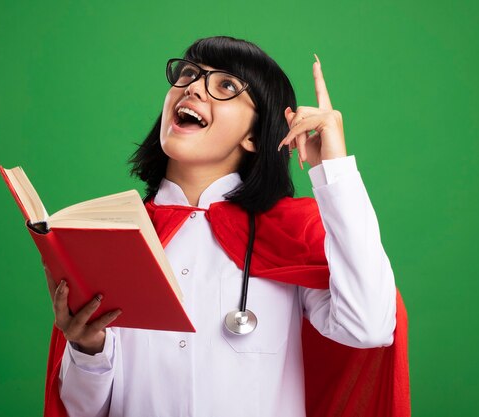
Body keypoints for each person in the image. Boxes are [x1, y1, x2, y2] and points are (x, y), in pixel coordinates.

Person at [42, 36, 409, 417]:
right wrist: (86, 348)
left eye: (227, 86)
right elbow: (81, 410)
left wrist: (332, 169)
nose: (194, 87)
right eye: (188, 74)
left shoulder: (290, 232)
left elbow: (369, 326)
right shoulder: (115, 238)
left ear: (253, 135)